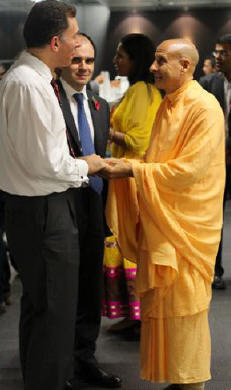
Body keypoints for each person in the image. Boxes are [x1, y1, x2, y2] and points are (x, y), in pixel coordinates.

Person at [100, 39, 225, 390]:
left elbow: (189, 171)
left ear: (185, 65)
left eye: (160, 61)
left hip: (188, 225)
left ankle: (192, 383)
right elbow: (158, 161)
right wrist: (127, 164)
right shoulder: (170, 104)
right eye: (153, 61)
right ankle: (179, 377)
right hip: (166, 220)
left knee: (185, 306)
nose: (152, 68)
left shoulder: (204, 108)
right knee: (166, 304)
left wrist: (131, 172)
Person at [0, 2, 106, 390]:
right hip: (43, 210)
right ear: (56, 41)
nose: (79, 44)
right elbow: (48, 163)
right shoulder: (30, 84)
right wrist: (89, 165)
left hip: (37, 208)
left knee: (43, 308)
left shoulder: (28, 79)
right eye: (75, 36)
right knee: (55, 313)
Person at [56, 33, 121, 389]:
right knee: (62, 290)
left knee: (90, 288)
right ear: (64, 59)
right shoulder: (49, 101)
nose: (83, 67)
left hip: (94, 207)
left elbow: (100, 158)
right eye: (77, 59)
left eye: (90, 61)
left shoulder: (100, 106)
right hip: (60, 206)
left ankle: (86, 358)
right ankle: (60, 364)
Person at [102, 33, 162, 338]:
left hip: (133, 181)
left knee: (130, 244)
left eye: (120, 56)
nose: (115, 61)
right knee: (127, 244)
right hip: (130, 179)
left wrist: (108, 132)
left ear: (135, 60)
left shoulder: (141, 91)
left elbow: (139, 140)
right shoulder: (140, 90)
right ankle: (134, 315)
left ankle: (139, 316)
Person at [199, 33, 231, 289]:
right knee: (214, 218)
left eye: (224, 53)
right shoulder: (208, 84)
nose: (218, 57)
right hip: (216, 163)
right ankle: (214, 270)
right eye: (217, 52)